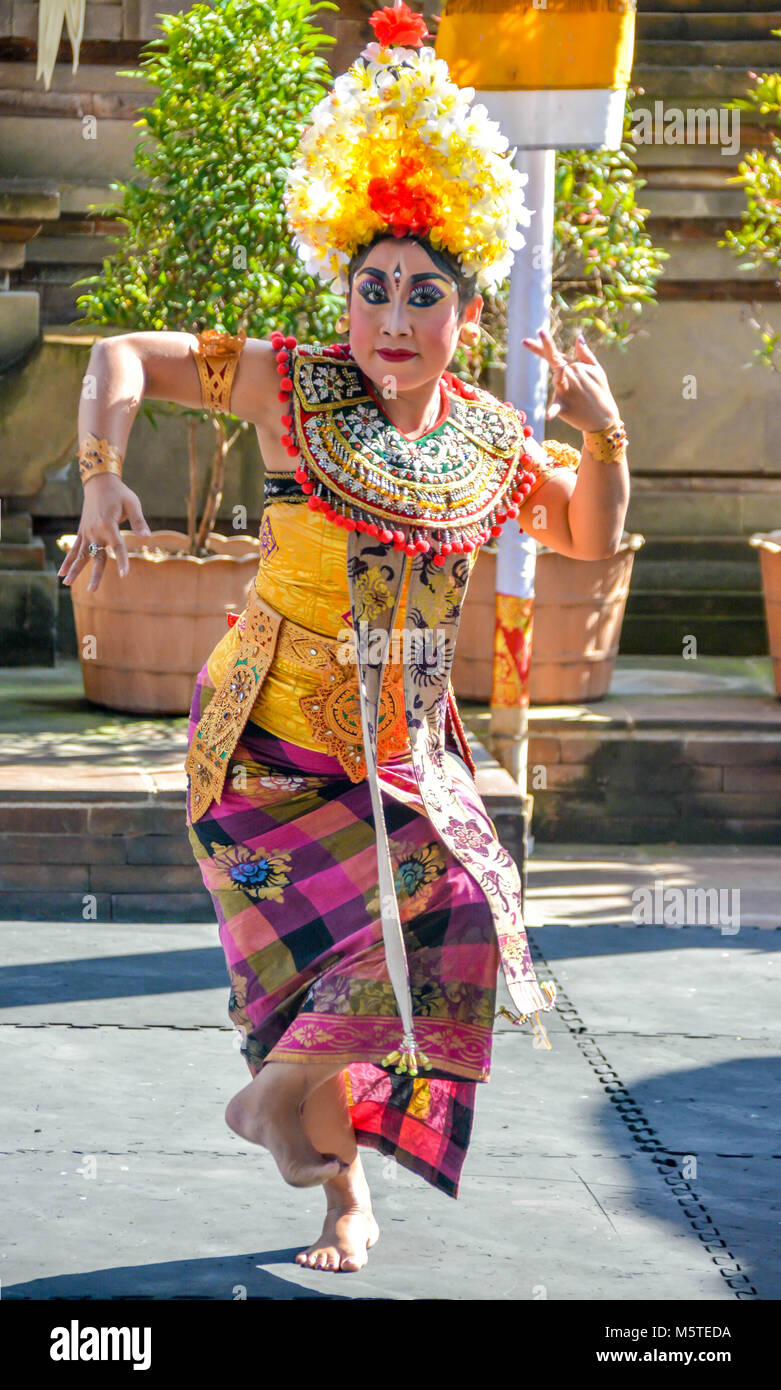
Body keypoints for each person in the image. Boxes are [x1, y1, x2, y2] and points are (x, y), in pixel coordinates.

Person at [58, 1, 629, 1276]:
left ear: (462, 319)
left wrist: (604, 431)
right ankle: (335, 1194)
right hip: (262, 752)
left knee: (457, 908)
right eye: (370, 287)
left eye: (421, 295)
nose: (388, 315)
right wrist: (101, 477)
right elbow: (121, 354)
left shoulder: (486, 437)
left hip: (405, 744)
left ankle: (278, 1119)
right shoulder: (294, 385)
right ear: (346, 293)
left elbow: (587, 533)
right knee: (317, 968)